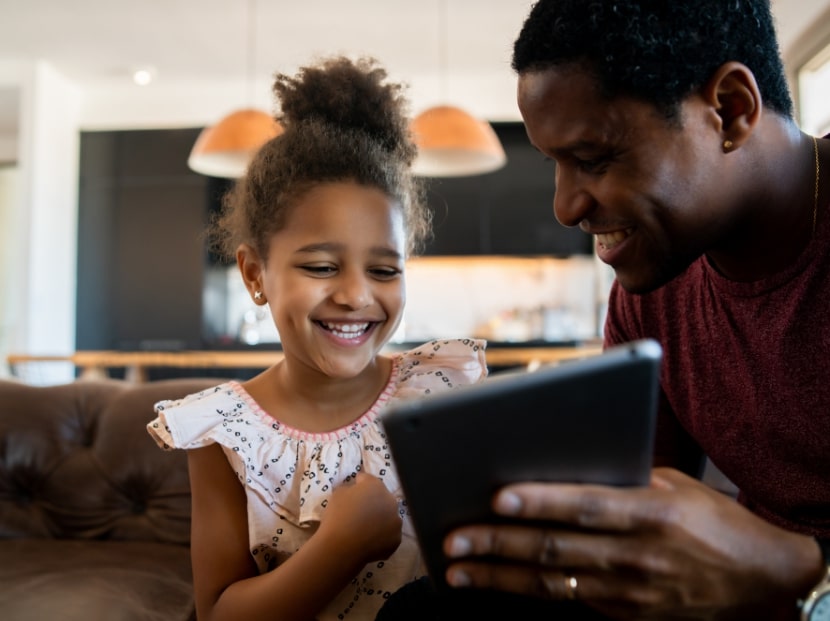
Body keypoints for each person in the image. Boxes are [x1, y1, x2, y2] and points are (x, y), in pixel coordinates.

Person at [385, 1, 830, 620]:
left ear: (730, 110)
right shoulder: (654, 288)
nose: (565, 208)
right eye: (556, 164)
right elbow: (642, 528)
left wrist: (796, 574)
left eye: (593, 160)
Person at [146, 55, 487, 621]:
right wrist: (339, 549)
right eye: (322, 267)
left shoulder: (438, 393)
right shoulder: (224, 432)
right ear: (255, 274)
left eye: (384, 270)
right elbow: (218, 611)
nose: (356, 295)